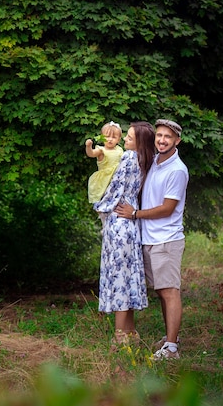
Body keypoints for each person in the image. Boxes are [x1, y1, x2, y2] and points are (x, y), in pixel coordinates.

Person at [115, 119, 189, 360]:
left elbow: (167, 208)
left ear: (177, 141)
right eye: (159, 135)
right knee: (161, 292)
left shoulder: (177, 170)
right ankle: (172, 338)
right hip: (149, 239)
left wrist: (135, 214)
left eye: (168, 136)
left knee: (170, 292)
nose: (162, 140)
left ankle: (171, 348)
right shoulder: (156, 161)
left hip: (166, 240)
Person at [93, 121, 156, 346]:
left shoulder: (130, 157)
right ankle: (130, 333)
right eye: (127, 136)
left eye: (130, 137)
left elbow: (115, 188)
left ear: (139, 142)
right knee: (127, 276)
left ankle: (120, 336)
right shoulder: (144, 159)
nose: (126, 140)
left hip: (119, 222)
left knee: (119, 276)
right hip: (129, 226)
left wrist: (99, 205)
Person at [85, 121, 123, 205]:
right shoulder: (101, 150)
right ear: (102, 137)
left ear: (119, 139)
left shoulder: (119, 150)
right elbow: (91, 154)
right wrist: (88, 146)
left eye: (114, 137)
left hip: (117, 177)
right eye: (107, 136)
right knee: (104, 199)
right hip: (105, 180)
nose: (110, 139)